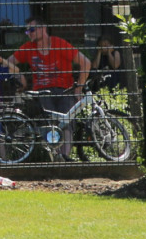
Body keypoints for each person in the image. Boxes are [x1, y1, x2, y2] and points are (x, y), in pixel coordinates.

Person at [8, 16, 91, 159]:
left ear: (43, 29)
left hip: (65, 89)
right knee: (49, 124)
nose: (29, 33)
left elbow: (86, 63)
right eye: (27, 31)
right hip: (42, 91)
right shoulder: (28, 48)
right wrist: (19, 77)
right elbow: (8, 63)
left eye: (32, 30)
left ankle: (64, 157)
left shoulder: (59, 44)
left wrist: (79, 87)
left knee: (67, 122)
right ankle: (56, 156)